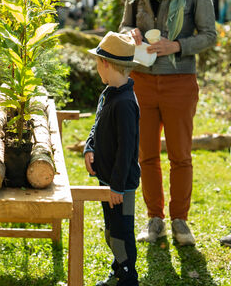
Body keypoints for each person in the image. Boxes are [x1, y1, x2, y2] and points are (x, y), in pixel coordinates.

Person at [119, 0, 217, 247]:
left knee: (180, 156)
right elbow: (125, 26)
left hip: (179, 82)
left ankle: (180, 221)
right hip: (142, 81)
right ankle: (154, 219)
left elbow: (209, 36)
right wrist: (130, 33)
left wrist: (176, 46)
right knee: (146, 155)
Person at [84, 31, 140, 286]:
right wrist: (89, 147)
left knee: (122, 231)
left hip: (122, 186)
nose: (97, 68)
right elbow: (96, 125)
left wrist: (117, 185)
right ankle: (118, 269)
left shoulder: (126, 103)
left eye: (97, 62)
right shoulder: (108, 94)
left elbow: (127, 149)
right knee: (110, 230)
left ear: (105, 63)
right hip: (107, 181)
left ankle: (128, 277)